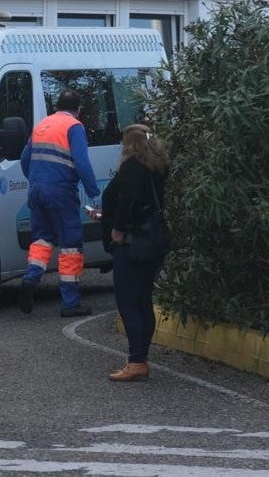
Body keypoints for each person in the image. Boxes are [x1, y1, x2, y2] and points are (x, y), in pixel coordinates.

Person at [18, 89, 101, 317]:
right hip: (61, 191)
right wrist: (94, 194)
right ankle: (70, 303)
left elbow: (25, 159)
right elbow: (82, 163)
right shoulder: (74, 126)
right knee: (71, 244)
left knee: (42, 239)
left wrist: (36, 179)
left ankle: (31, 279)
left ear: (57, 106)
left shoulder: (43, 125)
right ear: (79, 109)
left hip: (36, 190)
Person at [101, 124, 170, 382]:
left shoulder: (132, 168)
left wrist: (117, 228)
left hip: (133, 242)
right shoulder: (157, 167)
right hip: (153, 239)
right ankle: (141, 356)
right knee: (143, 299)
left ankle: (137, 361)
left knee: (128, 302)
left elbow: (129, 202)